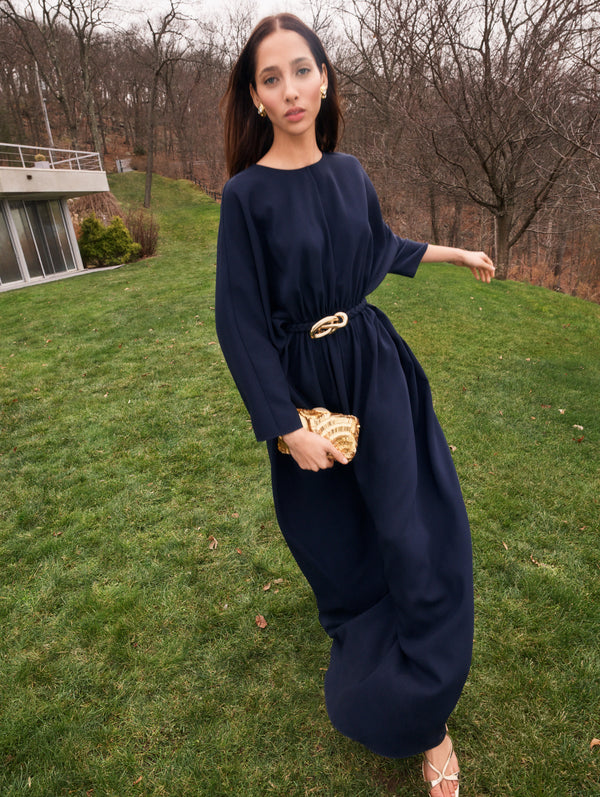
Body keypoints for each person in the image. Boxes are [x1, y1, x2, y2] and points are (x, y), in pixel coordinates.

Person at [215, 13, 495, 797]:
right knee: (340, 549)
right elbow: (238, 322)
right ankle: (381, 670)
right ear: (255, 97)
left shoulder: (350, 171)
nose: (289, 89)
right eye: (270, 78)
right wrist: (282, 427)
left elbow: (381, 246)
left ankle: (429, 718)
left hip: (374, 366)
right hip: (306, 392)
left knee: (411, 528)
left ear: (325, 77)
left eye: (300, 70)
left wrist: (455, 252)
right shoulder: (245, 197)